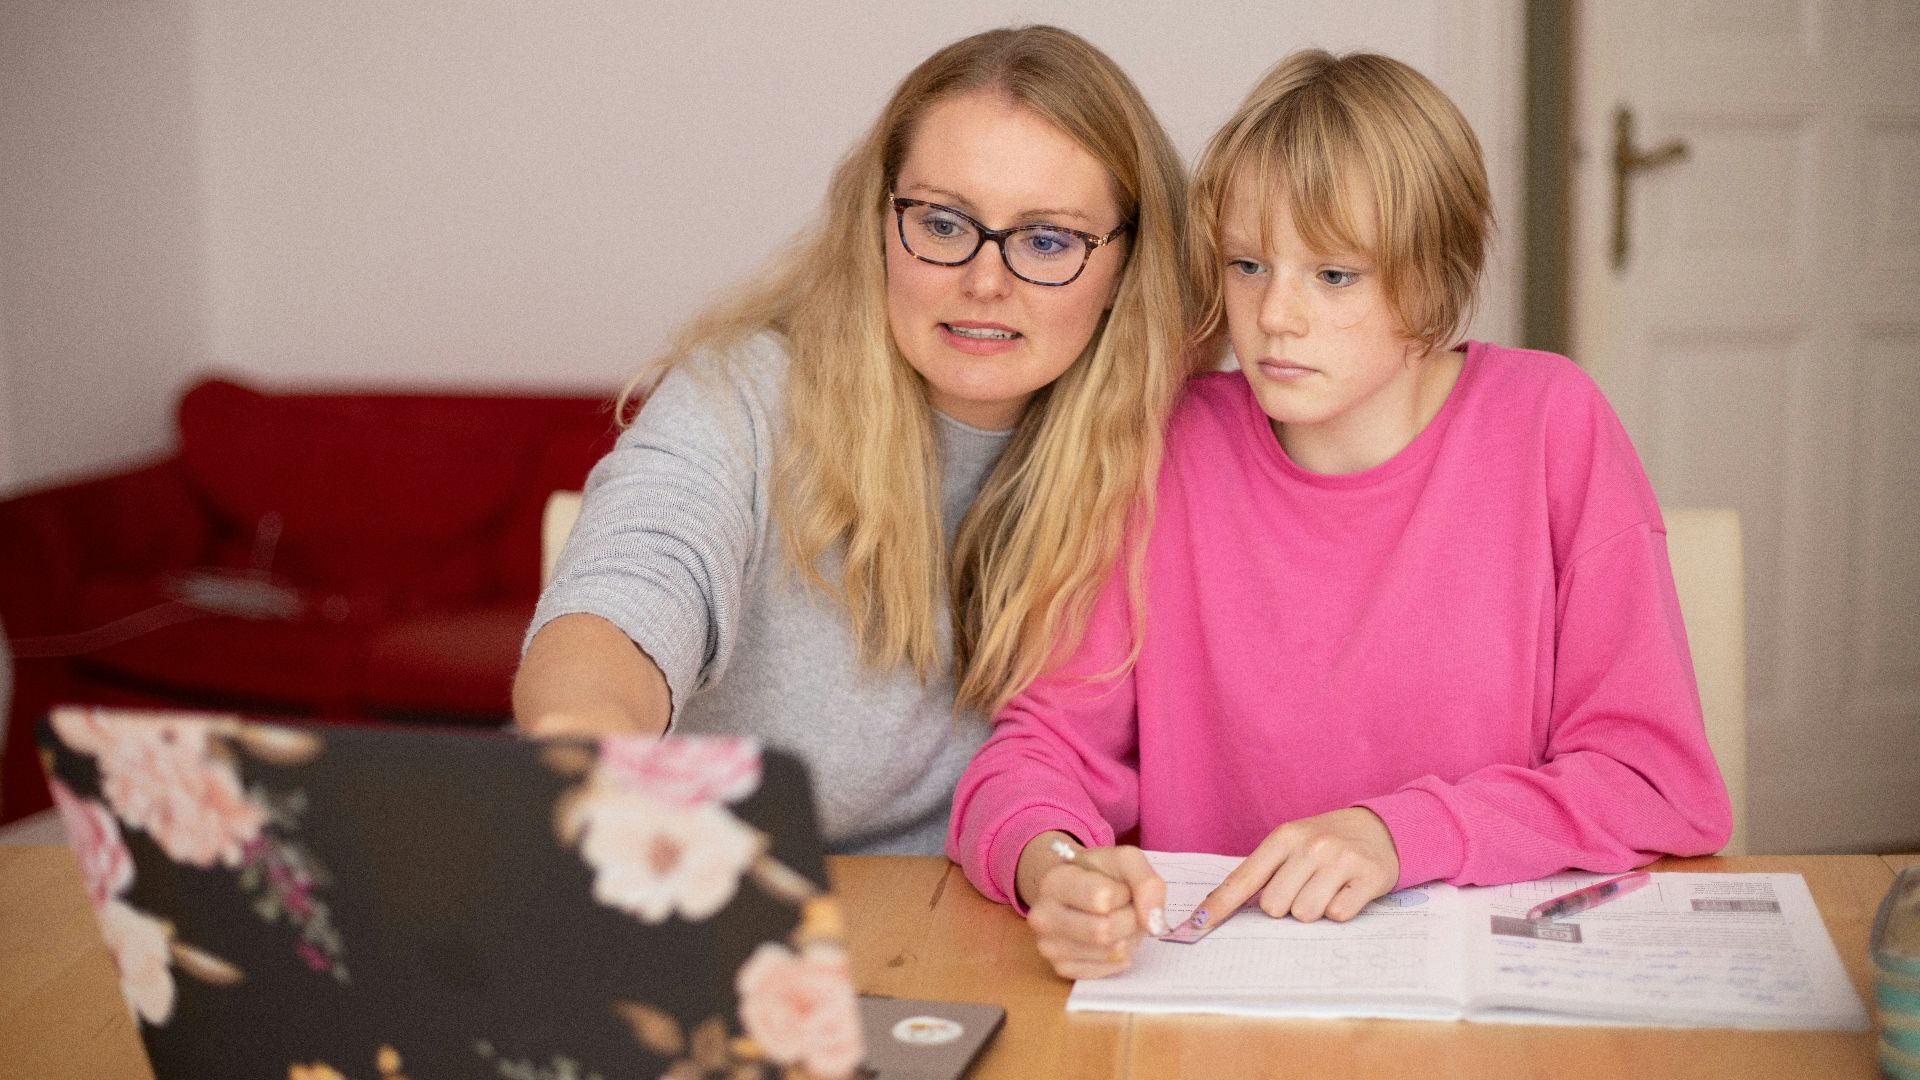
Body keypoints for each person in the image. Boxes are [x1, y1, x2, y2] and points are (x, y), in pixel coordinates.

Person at [948, 49, 1732, 977]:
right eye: (1248, 264)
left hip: (1483, 999)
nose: (1276, 314)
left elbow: (1655, 785)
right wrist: (1055, 867)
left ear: (1432, 281)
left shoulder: (1550, 423)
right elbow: (1038, 752)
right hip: (1214, 998)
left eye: (1335, 275)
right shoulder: (1165, 445)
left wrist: (1399, 835)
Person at [513, 26, 1191, 856]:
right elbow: (631, 585)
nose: (986, 281)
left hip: (983, 924)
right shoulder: (744, 396)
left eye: (1046, 240)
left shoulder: (1170, 449)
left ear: (1125, 262)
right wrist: (587, 741)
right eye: (943, 224)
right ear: (879, 223)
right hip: (718, 901)